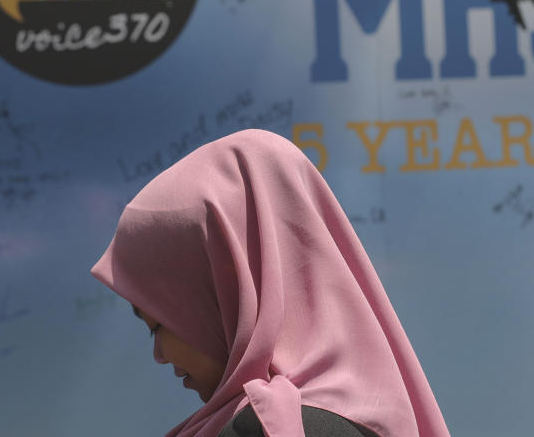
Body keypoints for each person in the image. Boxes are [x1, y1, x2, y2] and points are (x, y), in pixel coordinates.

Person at [91, 129, 450, 437]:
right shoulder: (376, 415)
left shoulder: (263, 427)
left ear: (224, 294)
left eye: (158, 324)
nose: (158, 355)